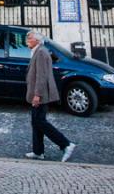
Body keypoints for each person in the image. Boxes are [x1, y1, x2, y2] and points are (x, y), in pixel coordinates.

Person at [25, 29, 76, 162]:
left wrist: (37, 95)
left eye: (29, 38)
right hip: (39, 93)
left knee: (40, 121)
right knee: (35, 121)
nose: (27, 41)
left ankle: (66, 144)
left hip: (41, 94)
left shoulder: (41, 52)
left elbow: (42, 76)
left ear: (36, 40)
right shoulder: (38, 51)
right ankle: (38, 151)